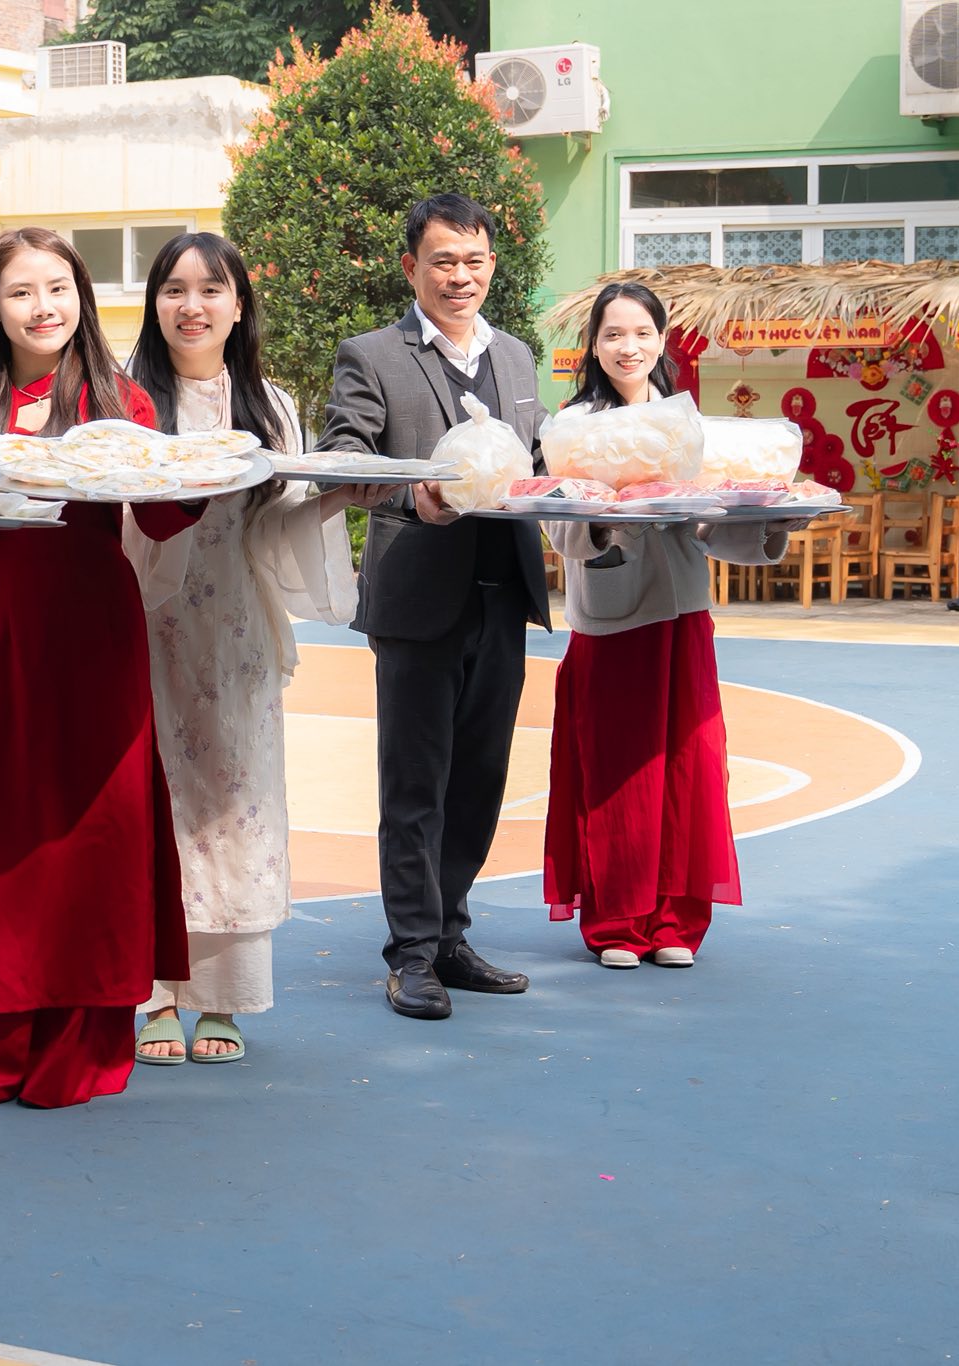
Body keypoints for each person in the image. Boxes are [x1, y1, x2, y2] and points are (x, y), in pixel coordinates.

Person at [0, 226, 195, 1107]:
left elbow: (161, 520)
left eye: (58, 288)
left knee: (98, 837)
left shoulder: (123, 400)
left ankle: (86, 1042)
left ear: (81, 296)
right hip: (3, 637)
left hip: (97, 635)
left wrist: (208, 471)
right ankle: (3, 1038)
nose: (42, 307)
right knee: (5, 837)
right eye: (20, 291)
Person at [124, 231, 374, 1064]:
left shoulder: (269, 406)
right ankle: (154, 994)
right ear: (154, 304)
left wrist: (337, 495)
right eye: (174, 289)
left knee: (236, 801)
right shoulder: (124, 401)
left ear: (239, 306)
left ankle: (223, 995)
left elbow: (277, 523)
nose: (191, 306)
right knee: (153, 800)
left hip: (234, 630)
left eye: (211, 290)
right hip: (141, 625)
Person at [315, 192, 550, 1021]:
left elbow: (536, 457)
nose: (460, 276)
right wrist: (413, 495)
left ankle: (450, 935)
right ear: (411, 267)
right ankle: (411, 954)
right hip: (417, 601)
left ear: (492, 266)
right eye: (443, 260)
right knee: (416, 785)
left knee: (481, 780)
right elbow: (344, 456)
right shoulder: (372, 355)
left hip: (504, 596)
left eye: (474, 260)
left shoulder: (516, 357)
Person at [542, 283, 791, 968]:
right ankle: (617, 923)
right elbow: (560, 530)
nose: (629, 347)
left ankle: (676, 921)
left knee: (689, 767)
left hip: (683, 616)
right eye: (613, 334)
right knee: (617, 772)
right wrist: (609, 517)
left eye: (642, 333)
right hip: (613, 620)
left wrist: (770, 521)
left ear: (661, 340)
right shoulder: (573, 428)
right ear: (594, 346)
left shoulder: (689, 425)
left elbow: (710, 523)